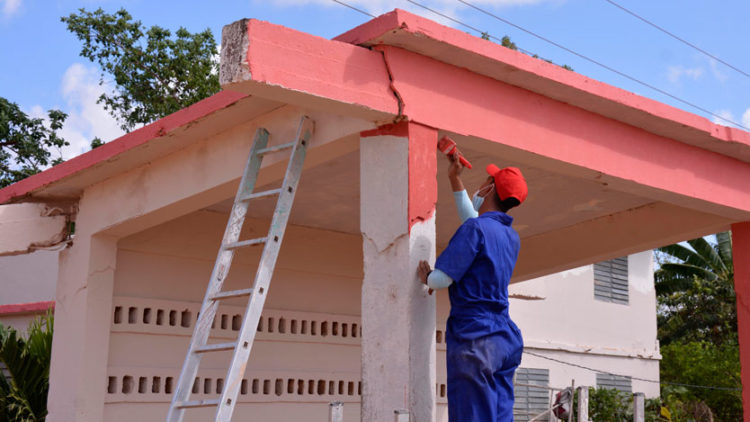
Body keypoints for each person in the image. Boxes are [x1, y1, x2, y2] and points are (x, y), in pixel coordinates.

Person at [418, 152, 528, 421]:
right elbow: (473, 220)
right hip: (504, 337)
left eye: (487, 180)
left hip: (475, 337)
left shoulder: (476, 230)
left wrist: (427, 278)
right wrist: (454, 178)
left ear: (490, 188)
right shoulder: (509, 236)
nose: (481, 184)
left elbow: (442, 279)